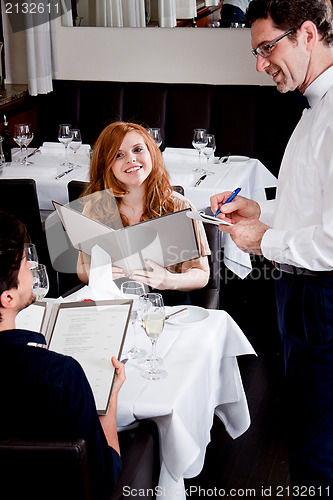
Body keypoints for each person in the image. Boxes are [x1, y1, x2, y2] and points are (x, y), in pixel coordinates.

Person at [211, 0, 333, 494]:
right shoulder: (312, 110)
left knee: (318, 452)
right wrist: (261, 214)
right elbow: (312, 209)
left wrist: (264, 240)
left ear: (307, 33)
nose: (261, 64)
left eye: (266, 47)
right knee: (306, 435)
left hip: (322, 302)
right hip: (302, 301)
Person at [0, 211, 125, 500]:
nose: (31, 266)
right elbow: (105, 481)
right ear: (7, 298)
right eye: (24, 263)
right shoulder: (60, 374)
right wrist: (110, 401)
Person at [77, 121, 210, 306]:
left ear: (152, 153)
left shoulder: (181, 207)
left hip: (169, 305)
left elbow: (201, 274)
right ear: (105, 165)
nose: (131, 159)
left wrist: (168, 280)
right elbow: (83, 269)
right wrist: (101, 273)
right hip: (115, 304)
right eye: (118, 155)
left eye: (138, 149)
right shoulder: (93, 208)